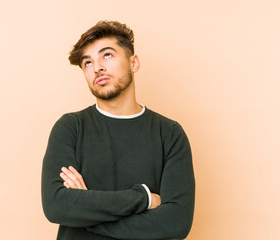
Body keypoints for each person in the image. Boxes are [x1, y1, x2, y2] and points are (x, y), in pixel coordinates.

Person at [41, 20, 195, 240]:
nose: (97, 67)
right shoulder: (70, 128)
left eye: (107, 55)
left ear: (134, 63)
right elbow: (57, 206)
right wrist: (143, 198)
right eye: (87, 63)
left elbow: (176, 223)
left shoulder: (169, 133)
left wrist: (87, 213)